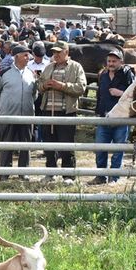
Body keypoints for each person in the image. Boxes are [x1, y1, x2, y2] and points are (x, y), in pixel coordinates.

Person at [36, 41, 87, 184]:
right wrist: (44, 86)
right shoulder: (48, 67)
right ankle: (50, 173)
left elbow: (81, 87)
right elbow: (39, 85)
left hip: (66, 112)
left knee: (67, 144)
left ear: (66, 52)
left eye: (59, 52)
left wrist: (62, 86)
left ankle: (68, 176)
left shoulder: (76, 67)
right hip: (48, 111)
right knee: (48, 144)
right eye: (54, 52)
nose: (56, 55)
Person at [90, 49, 134, 185]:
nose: (111, 64)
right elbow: (99, 96)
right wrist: (97, 112)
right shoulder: (103, 75)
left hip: (121, 118)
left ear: (121, 61)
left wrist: (120, 93)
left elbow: (134, 94)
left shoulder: (127, 74)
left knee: (118, 149)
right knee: (100, 148)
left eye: (114, 61)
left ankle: (114, 177)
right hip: (104, 116)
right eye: (109, 61)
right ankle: (100, 176)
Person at [0, 45, 37, 180]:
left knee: (25, 145)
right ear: (17, 56)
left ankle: (24, 172)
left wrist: (28, 104)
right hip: (8, 115)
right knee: (7, 144)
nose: (28, 57)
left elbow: (35, 94)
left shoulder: (31, 73)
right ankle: (4, 173)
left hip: (27, 116)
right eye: (25, 55)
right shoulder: (4, 73)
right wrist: (3, 105)